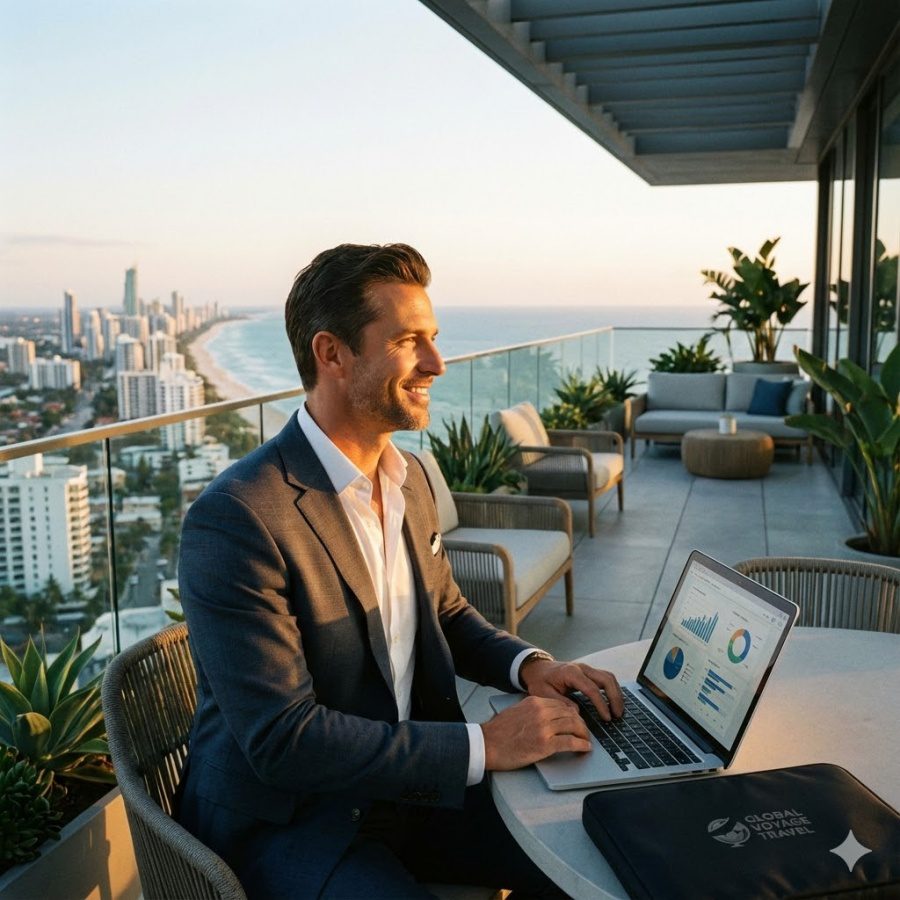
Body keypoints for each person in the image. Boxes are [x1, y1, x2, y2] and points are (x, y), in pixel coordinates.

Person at [176, 243, 624, 898]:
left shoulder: (406, 479)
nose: (437, 364)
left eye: (433, 340)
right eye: (411, 342)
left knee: (590, 849)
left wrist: (531, 667)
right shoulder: (238, 518)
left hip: (407, 792)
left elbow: (443, 612)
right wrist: (483, 746)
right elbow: (282, 739)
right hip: (295, 823)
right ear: (332, 354)